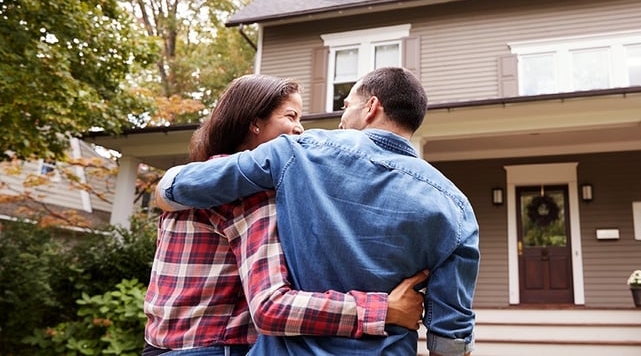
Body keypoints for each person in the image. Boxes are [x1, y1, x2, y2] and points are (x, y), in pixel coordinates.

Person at [156, 67, 479, 356]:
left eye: (346, 105)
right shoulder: (456, 207)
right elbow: (450, 335)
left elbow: (192, 183)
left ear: (371, 107)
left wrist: (164, 190)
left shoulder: (298, 154)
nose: (340, 118)